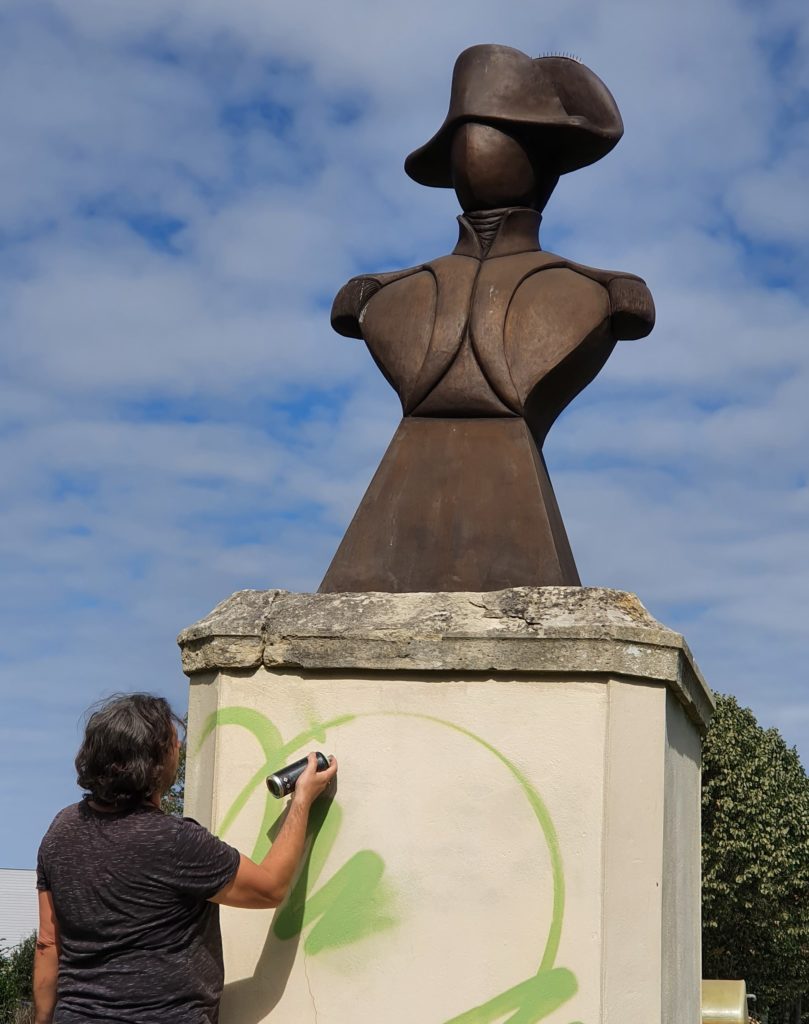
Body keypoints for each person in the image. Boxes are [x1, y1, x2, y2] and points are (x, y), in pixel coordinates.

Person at [33, 692, 337, 1024]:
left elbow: (48, 943)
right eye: (173, 743)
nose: (179, 748)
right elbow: (270, 888)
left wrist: (42, 1019)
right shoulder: (175, 841)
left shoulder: (61, 830)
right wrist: (302, 800)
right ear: (153, 762)